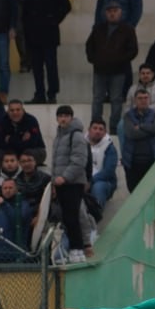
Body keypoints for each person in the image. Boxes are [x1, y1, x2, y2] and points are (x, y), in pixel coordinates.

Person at [86, 1, 137, 133]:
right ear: (105, 13)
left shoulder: (127, 29)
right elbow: (89, 46)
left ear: (120, 12)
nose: (112, 13)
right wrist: (94, 59)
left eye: (115, 11)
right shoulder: (98, 28)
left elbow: (133, 50)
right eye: (109, 11)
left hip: (118, 71)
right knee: (97, 98)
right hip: (100, 70)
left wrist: (120, 61)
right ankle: (96, 126)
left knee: (116, 99)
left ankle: (114, 128)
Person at [51, 105, 89, 264]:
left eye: (66, 115)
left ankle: (77, 249)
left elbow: (79, 160)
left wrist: (64, 177)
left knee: (73, 216)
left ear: (71, 118)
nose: (63, 118)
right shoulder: (58, 137)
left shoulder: (77, 136)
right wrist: (54, 181)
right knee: (67, 217)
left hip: (72, 183)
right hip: (61, 184)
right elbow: (55, 162)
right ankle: (74, 249)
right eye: (60, 116)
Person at [20, 0, 69, 105]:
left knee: (51, 65)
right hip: (33, 34)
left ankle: (52, 94)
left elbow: (66, 6)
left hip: (49, 33)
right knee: (36, 67)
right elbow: (25, 8)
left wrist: (54, 19)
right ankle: (39, 94)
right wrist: (26, 26)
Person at [119, 88, 155, 192]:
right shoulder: (128, 116)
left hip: (151, 161)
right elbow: (132, 133)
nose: (143, 100)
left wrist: (141, 126)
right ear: (135, 100)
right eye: (140, 98)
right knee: (133, 191)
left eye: (146, 98)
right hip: (132, 162)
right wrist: (150, 130)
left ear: (149, 100)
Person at [0, 98, 46, 170]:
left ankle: (30, 180)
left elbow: (33, 143)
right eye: (12, 110)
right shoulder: (3, 121)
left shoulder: (31, 120)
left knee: (27, 154)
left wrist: (10, 139)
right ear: (8, 112)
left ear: (23, 110)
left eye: (18, 110)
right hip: (12, 151)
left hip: (36, 150)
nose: (15, 113)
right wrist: (20, 139)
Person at [0, 176, 32, 263]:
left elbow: (18, 221)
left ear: (16, 189)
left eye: (10, 188)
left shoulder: (23, 205)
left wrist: (4, 205)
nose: (7, 190)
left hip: (14, 254)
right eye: (5, 188)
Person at [87, 117, 118, 211]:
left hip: (104, 182)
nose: (97, 131)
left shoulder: (110, 148)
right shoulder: (81, 144)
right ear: (89, 130)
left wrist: (90, 181)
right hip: (84, 180)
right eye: (95, 128)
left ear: (105, 133)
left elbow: (108, 172)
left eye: (101, 129)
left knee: (98, 187)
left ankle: (96, 215)